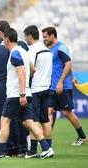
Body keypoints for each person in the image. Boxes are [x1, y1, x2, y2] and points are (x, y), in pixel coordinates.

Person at [0, 28, 54, 159]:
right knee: (29, 122)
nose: (3, 42)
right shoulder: (24, 52)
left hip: (16, 94)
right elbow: (32, 69)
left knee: (4, 120)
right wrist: (26, 87)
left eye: (3, 40)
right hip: (27, 92)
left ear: (7, 39)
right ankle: (46, 148)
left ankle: (1, 151)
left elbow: (21, 71)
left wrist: (21, 94)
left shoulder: (15, 53)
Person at [42, 27, 86, 145]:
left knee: (67, 113)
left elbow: (68, 63)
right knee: (48, 111)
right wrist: (71, 75)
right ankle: (48, 142)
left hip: (63, 86)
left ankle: (82, 137)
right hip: (53, 86)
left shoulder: (61, 48)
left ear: (52, 36)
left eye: (45, 37)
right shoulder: (50, 49)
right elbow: (63, 65)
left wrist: (62, 81)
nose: (44, 39)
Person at [24, 25, 53, 158]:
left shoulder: (32, 50)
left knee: (33, 120)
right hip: (47, 87)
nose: (25, 39)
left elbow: (31, 69)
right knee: (45, 119)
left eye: (25, 36)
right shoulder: (47, 50)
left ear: (30, 36)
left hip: (35, 88)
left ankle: (33, 150)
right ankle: (48, 147)